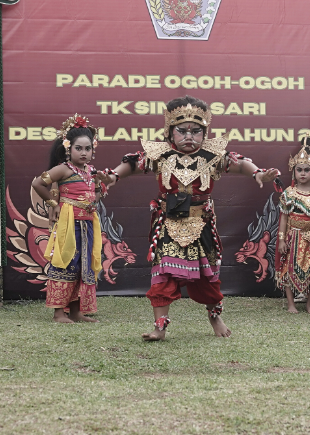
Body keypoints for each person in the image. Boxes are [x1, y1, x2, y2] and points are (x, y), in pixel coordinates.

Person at [97, 96, 280, 341]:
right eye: (181, 131)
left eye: (196, 131)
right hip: (167, 224)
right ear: (170, 132)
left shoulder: (213, 155)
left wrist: (257, 173)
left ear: (205, 133)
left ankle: (215, 316)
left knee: (208, 276)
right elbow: (131, 165)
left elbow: (241, 163)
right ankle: (160, 327)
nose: (189, 136)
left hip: (202, 223)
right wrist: (113, 177)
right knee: (163, 274)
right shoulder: (158, 154)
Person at [31, 114, 104, 324]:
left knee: (83, 265)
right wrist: (54, 203)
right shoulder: (63, 169)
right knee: (65, 262)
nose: (84, 152)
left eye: (88, 148)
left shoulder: (91, 171)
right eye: (78, 148)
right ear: (68, 148)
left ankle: (76, 312)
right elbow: (37, 183)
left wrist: (98, 194)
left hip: (88, 224)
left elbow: (97, 192)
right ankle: (58, 314)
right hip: (68, 225)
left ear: (93, 149)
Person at [276, 143, 310, 314]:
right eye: (300, 170)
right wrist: (282, 240)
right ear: (294, 171)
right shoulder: (288, 193)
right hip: (294, 237)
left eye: (307, 170)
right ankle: (291, 304)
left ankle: (309, 304)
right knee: (289, 269)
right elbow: (284, 217)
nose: (303, 173)